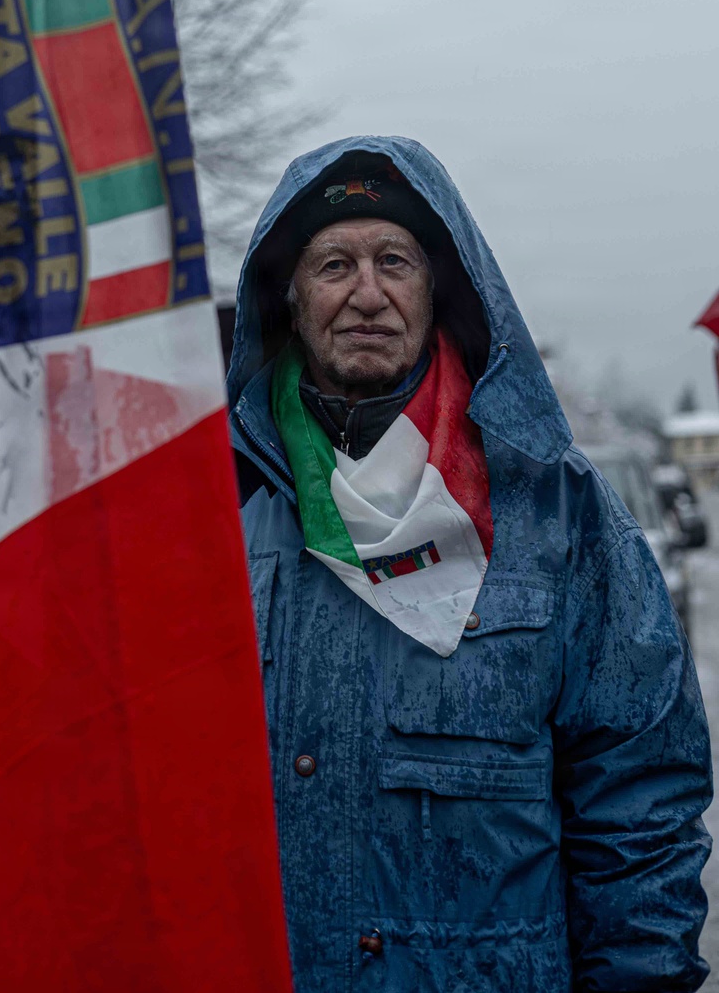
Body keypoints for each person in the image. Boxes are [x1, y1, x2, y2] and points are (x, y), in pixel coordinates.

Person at [227, 135, 712, 992]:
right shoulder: (215, 508)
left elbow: (639, 810)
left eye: (396, 261)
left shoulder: (559, 513)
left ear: (438, 288)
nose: (367, 292)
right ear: (289, 298)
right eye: (334, 263)